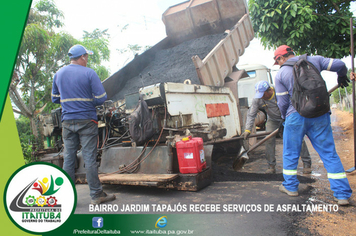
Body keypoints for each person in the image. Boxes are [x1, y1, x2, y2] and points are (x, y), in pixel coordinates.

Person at [274, 45, 352, 205]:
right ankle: (342, 194)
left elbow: (282, 102)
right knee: (329, 154)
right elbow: (340, 65)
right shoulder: (314, 60)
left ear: (281, 58)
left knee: (290, 153)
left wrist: (284, 118)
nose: (279, 64)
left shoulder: (281, 73)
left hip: (294, 116)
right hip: (319, 114)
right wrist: (342, 77)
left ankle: (290, 187)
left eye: (278, 61)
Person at [52, 44, 115, 205]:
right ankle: (96, 195)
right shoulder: (89, 73)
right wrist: (88, 101)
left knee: (69, 158)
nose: (87, 60)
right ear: (82, 57)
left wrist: (70, 102)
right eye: (86, 57)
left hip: (67, 121)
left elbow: (54, 98)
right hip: (87, 120)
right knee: (89, 158)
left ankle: (66, 197)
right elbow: (101, 97)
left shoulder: (58, 74)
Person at [241, 80, 312, 174]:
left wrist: (287, 119)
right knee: (269, 140)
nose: (262, 97)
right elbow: (251, 114)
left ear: (269, 90)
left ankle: (307, 163)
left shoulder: (280, 92)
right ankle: (271, 166)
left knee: (297, 138)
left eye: (263, 94)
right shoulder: (258, 99)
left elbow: (294, 105)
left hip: (288, 117)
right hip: (273, 120)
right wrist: (247, 130)